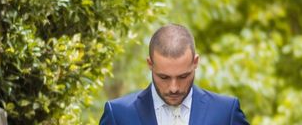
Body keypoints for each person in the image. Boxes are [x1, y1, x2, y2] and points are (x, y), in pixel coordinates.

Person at [99, 24, 249, 125]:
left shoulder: (226, 112)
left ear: (195, 62)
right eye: (164, 77)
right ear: (150, 64)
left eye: (183, 76)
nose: (174, 88)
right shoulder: (118, 115)